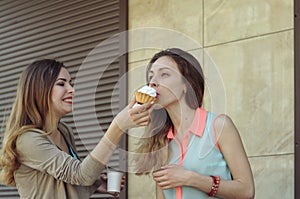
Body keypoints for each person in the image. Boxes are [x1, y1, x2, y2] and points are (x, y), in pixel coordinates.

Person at [0, 59, 153, 199]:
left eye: (70, 83)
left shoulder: (64, 131)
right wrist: (118, 127)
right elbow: (81, 175)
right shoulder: (28, 140)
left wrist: (97, 185)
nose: (72, 89)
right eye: (61, 84)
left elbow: (70, 179)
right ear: (39, 90)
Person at [135, 48, 255, 199]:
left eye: (164, 74)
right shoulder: (160, 140)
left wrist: (191, 178)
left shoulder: (219, 126)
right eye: (151, 77)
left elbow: (247, 190)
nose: (153, 82)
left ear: (187, 84)